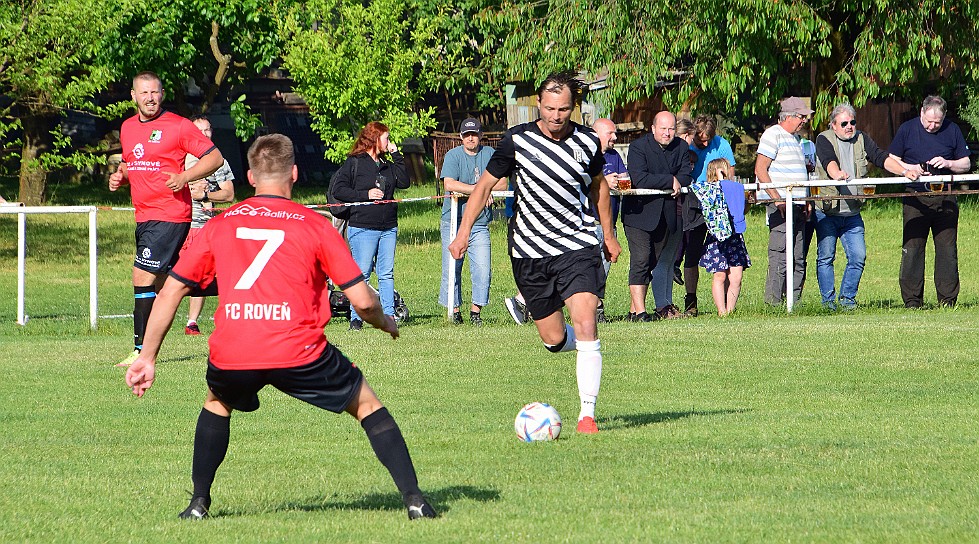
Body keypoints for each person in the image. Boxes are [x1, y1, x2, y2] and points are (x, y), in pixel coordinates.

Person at [123, 134, 437, 521]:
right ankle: (415, 501)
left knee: (217, 403)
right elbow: (364, 301)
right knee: (367, 404)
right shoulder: (315, 224)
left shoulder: (221, 224)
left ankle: (198, 504)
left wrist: (147, 357)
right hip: (299, 349)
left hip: (236, 348)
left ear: (251, 177)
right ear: (294, 172)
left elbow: (170, 291)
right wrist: (385, 322)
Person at [449, 72, 621, 434]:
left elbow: (599, 188)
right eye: (550, 108)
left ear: (573, 108)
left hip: (577, 245)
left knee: (587, 321)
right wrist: (463, 231)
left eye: (564, 109)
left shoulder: (588, 141)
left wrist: (608, 234)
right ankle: (583, 347)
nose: (557, 116)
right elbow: (483, 188)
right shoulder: (517, 140)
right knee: (554, 340)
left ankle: (587, 415)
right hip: (530, 251)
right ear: (538, 105)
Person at [109, 71, 224, 367]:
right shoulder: (127, 127)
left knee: (142, 275)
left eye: (155, 92)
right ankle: (228, 283)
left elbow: (215, 158)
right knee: (164, 284)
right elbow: (130, 162)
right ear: (133, 96)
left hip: (170, 215)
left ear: (162, 94)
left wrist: (185, 176)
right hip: (144, 216)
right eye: (144, 93)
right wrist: (120, 178)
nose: (150, 98)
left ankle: (140, 350)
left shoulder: (178, 126)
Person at [814, 103, 918, 310]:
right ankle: (827, 305)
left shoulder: (861, 138)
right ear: (833, 125)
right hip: (827, 212)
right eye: (844, 123)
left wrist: (904, 172)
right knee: (826, 258)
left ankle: (847, 301)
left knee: (858, 256)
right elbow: (828, 161)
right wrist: (837, 175)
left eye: (852, 122)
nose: (849, 126)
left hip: (852, 213)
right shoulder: (824, 138)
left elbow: (881, 158)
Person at [888, 95, 972, 308]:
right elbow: (891, 159)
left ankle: (947, 301)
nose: (933, 126)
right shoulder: (907, 129)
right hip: (915, 196)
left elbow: (966, 164)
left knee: (947, 250)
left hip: (945, 197)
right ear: (922, 113)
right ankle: (912, 301)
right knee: (913, 248)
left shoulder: (952, 130)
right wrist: (909, 169)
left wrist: (948, 163)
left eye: (938, 122)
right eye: (929, 121)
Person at [330, 121, 411, 330]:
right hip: (363, 226)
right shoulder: (355, 162)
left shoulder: (386, 163)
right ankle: (356, 318)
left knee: (386, 273)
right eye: (386, 138)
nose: (389, 142)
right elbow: (339, 190)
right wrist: (364, 195)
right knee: (362, 274)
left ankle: (389, 316)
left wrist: (396, 154)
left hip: (388, 227)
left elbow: (404, 181)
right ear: (375, 139)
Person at [622, 111, 692, 321]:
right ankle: (641, 313)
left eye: (671, 128)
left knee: (651, 262)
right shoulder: (638, 147)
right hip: (639, 215)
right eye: (663, 128)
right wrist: (669, 181)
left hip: (667, 215)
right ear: (653, 129)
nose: (667, 133)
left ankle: (634, 312)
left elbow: (685, 177)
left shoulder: (681, 147)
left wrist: (674, 180)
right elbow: (639, 177)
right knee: (641, 260)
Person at [439, 118, 506, 326]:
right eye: (467, 134)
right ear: (460, 137)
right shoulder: (453, 156)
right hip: (454, 221)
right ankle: (455, 311)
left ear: (480, 136)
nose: (471, 138)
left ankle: (476, 311)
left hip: (480, 223)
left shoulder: (490, 155)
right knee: (452, 267)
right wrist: (482, 191)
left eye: (474, 134)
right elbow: (449, 184)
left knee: (483, 269)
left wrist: (476, 190)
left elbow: (503, 183)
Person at [754, 96, 813, 306]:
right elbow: (761, 170)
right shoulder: (773, 135)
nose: (804, 120)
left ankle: (793, 303)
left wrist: (806, 200)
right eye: (801, 116)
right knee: (780, 256)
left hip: (797, 206)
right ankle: (773, 304)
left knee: (798, 258)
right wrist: (778, 201)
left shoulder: (797, 140)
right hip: (780, 206)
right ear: (789, 116)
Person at [183, 115, 236, 335]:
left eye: (208, 130)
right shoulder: (178, 158)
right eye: (199, 131)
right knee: (172, 276)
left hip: (206, 226)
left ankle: (192, 322)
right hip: (180, 225)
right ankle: (155, 320)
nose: (204, 135)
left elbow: (229, 194)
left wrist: (206, 193)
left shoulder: (219, 161)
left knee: (209, 276)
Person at [681, 114, 737, 317]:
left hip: (718, 205)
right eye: (700, 139)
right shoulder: (686, 145)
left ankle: (727, 306)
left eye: (707, 140)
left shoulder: (722, 144)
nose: (704, 143)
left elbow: (730, 173)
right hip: (695, 203)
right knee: (692, 252)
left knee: (727, 253)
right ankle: (691, 300)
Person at [690, 158, 750, 315]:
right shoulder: (709, 190)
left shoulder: (734, 189)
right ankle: (721, 311)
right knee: (720, 275)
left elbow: (741, 210)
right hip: (717, 239)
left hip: (735, 238)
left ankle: (730, 311)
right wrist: (721, 178)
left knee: (736, 276)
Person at [590, 118, 626, 323]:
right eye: (610, 133)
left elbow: (624, 177)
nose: (615, 137)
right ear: (597, 134)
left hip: (609, 224)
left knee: (604, 269)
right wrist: (604, 181)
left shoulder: (614, 155)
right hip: (588, 224)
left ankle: (597, 308)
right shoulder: (586, 155)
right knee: (589, 270)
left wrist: (621, 181)